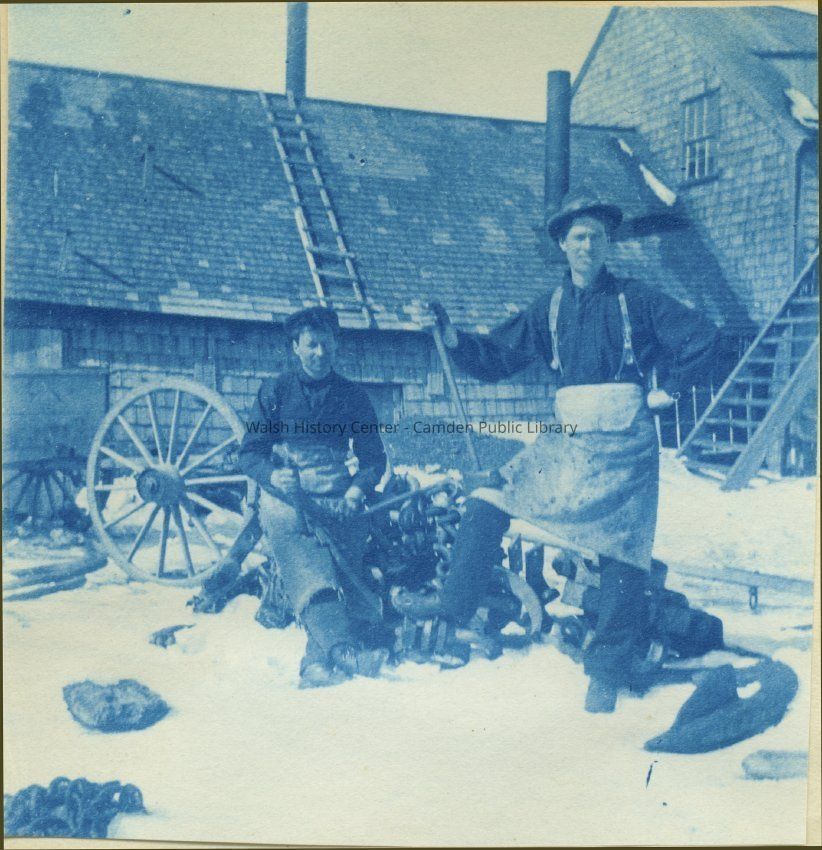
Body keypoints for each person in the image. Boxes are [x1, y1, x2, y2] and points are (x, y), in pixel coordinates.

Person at [395, 194, 721, 712]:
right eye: (578, 237)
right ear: (563, 245)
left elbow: (703, 336)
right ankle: (454, 605)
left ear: (608, 244)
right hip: (568, 437)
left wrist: (671, 390)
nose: (587, 245)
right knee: (490, 494)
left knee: (622, 549)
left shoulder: (637, 299)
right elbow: (497, 358)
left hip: (625, 441)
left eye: (597, 236)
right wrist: (451, 335)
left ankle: (606, 671)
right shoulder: (549, 308)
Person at [239, 306, 390, 688]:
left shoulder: (353, 396)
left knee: (347, 562)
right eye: (311, 345)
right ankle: (342, 652)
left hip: (337, 491)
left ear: (336, 345)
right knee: (306, 557)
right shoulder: (275, 391)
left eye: (326, 344)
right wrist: (272, 474)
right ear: (296, 347)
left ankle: (316, 662)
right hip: (286, 495)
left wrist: (357, 489)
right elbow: (250, 453)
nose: (320, 353)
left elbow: (373, 458)